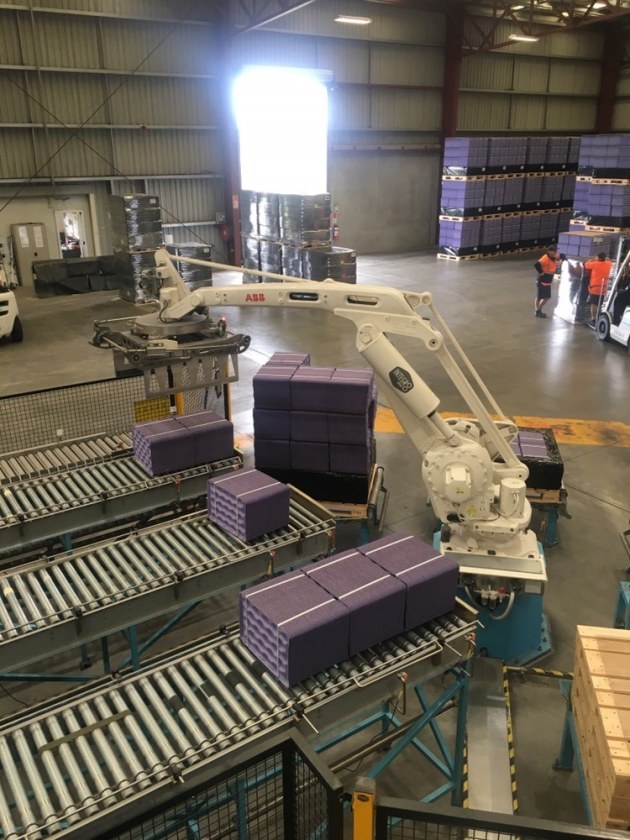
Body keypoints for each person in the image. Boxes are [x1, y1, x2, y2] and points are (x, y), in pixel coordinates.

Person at [583, 251, 613, 326]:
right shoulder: (608, 264)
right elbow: (609, 260)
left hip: (595, 287)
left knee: (593, 304)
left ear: (598, 258)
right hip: (603, 288)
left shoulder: (594, 264)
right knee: (599, 304)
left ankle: (593, 319)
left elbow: (585, 264)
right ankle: (598, 319)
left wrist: (593, 259)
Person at [533, 247, 564, 318]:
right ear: (549, 252)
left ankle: (539, 309)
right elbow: (536, 265)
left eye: (555, 251)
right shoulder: (545, 257)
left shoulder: (554, 257)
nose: (555, 252)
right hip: (542, 280)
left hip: (548, 281)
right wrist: (541, 272)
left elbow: (560, 257)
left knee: (547, 297)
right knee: (539, 297)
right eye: (554, 251)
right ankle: (537, 310)